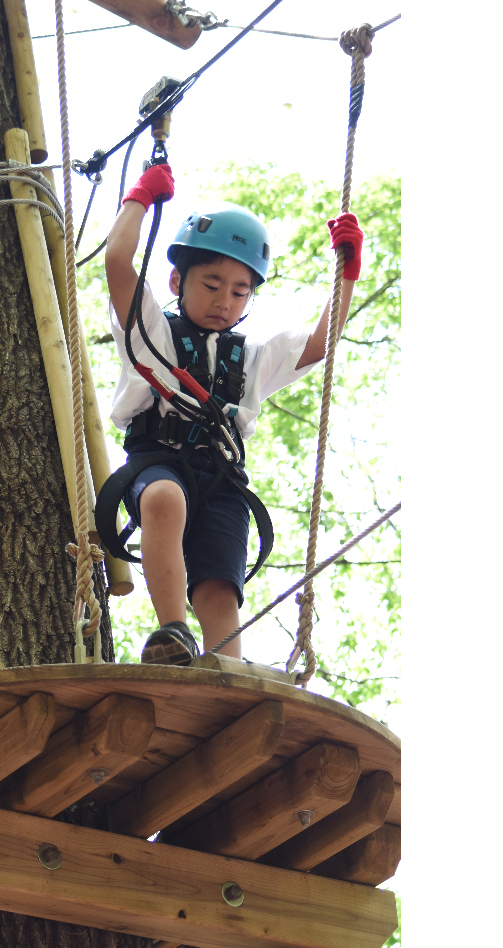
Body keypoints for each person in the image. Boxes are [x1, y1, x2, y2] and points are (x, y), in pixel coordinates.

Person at [103, 163, 364, 666]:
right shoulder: (152, 333)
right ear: (178, 279)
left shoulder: (251, 358)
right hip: (159, 460)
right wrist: (140, 197)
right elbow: (117, 261)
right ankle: (173, 632)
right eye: (211, 283)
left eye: (240, 291)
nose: (224, 301)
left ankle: (228, 666)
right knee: (164, 500)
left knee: (220, 582)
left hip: (222, 478)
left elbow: (320, 342)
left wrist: (346, 275)